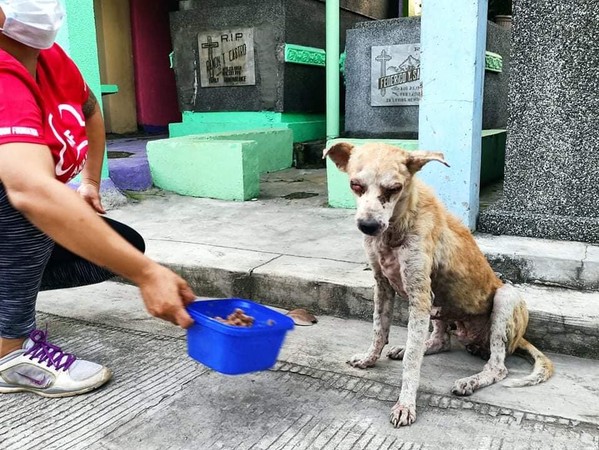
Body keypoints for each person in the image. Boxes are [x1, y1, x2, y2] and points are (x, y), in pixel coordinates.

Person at [0, 0, 196, 397]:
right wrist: (147, 274)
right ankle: (10, 355)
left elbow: (90, 113)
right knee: (36, 209)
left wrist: (89, 180)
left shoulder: (51, 58)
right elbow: (30, 191)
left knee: (118, 245)